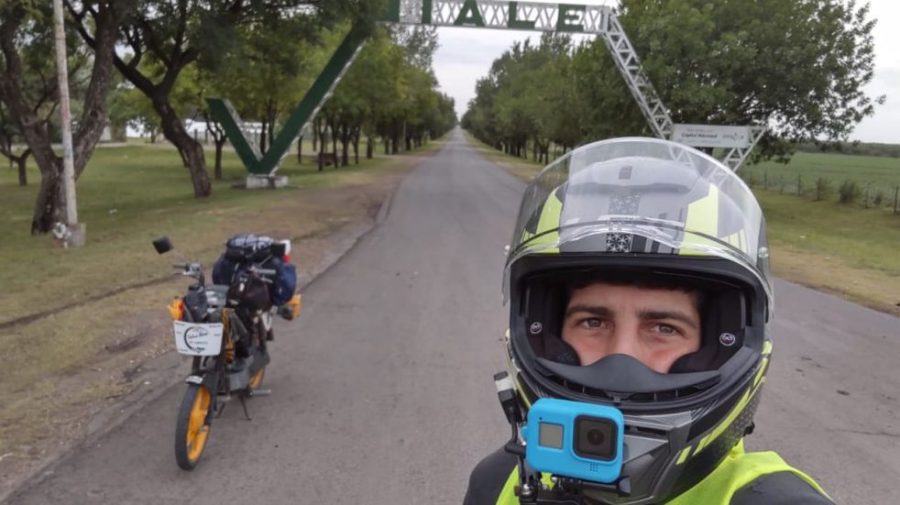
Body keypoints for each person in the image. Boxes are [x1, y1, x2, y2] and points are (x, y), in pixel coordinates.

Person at [464, 137, 833, 504]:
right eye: (593, 322)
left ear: (719, 342)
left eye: (663, 328)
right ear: (546, 332)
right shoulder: (497, 485)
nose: (622, 360)